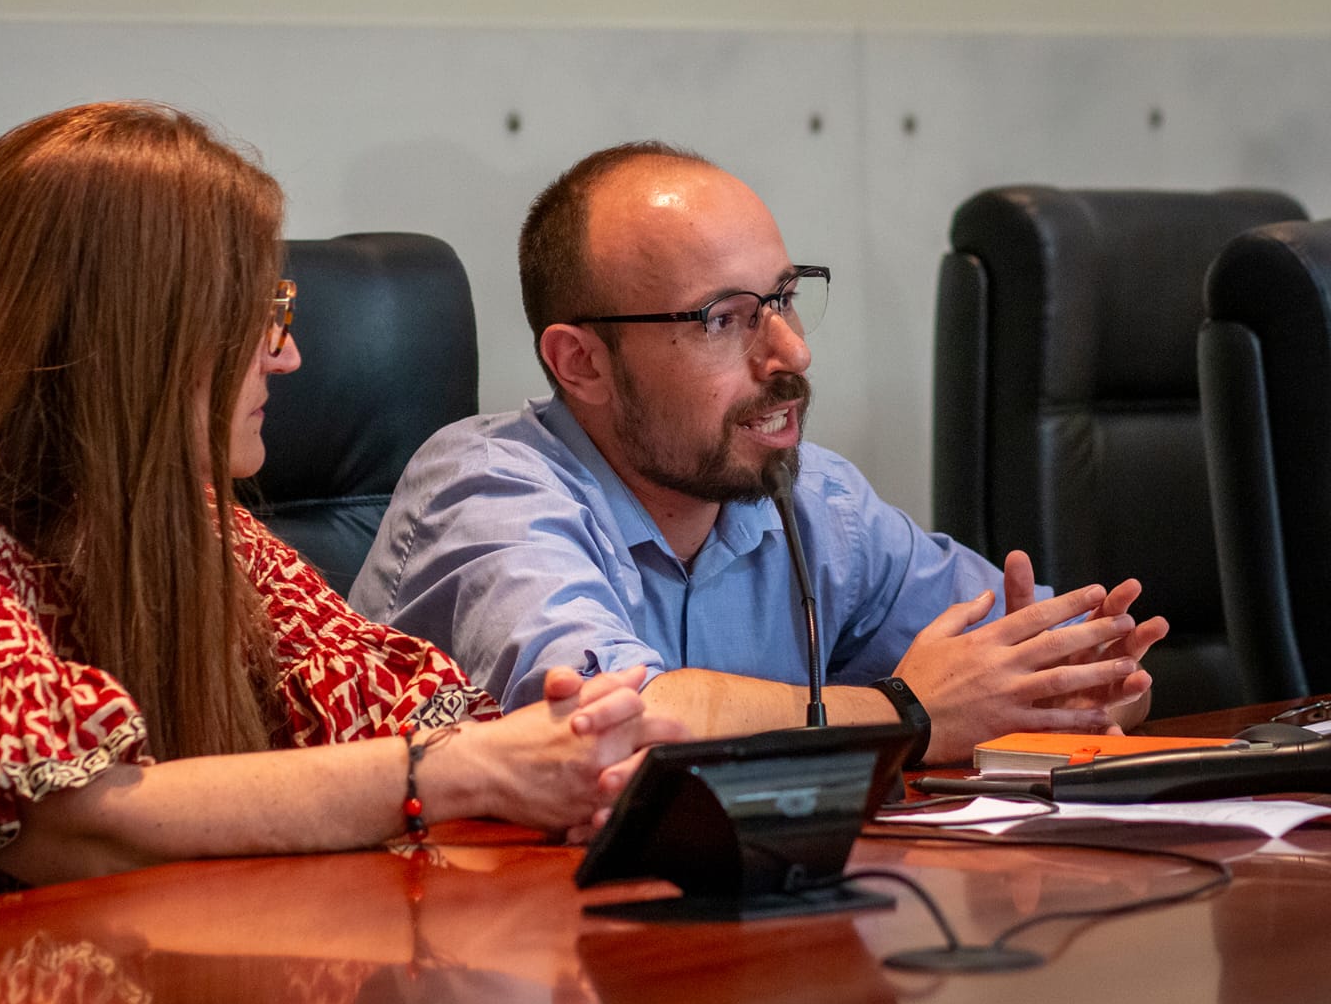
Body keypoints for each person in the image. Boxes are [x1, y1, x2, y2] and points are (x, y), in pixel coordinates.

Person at [0, 105, 682, 937]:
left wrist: (565, 750)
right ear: (140, 334)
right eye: (260, 313)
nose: (290, 355)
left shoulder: (192, 517)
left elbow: (391, 707)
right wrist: (461, 772)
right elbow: (79, 820)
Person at [350, 141, 1166, 765]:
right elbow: (618, 728)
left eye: (783, 298)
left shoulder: (816, 500)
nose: (792, 354)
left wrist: (1081, 687)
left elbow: (1073, 680)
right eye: (724, 318)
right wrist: (910, 711)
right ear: (582, 363)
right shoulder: (487, 490)